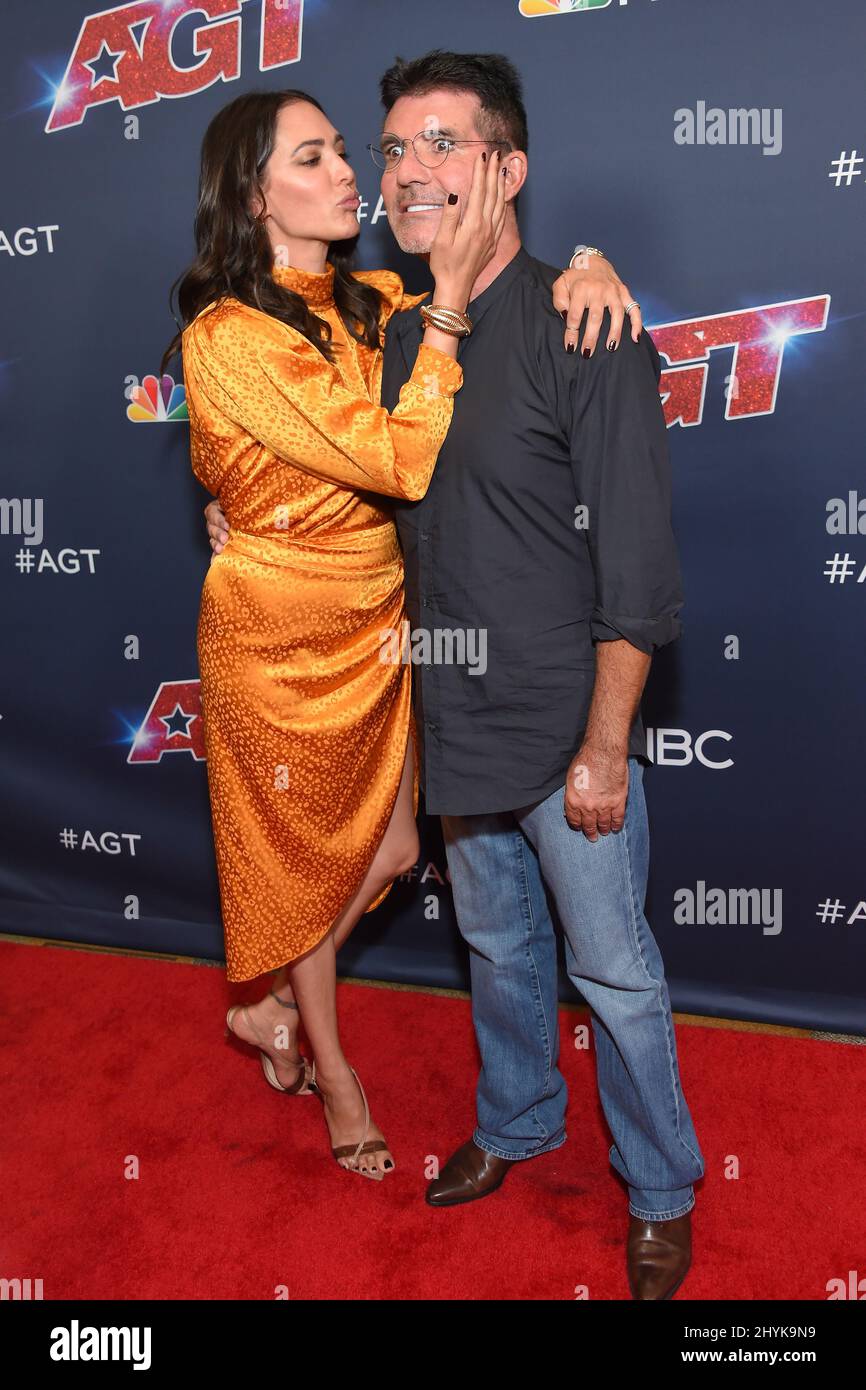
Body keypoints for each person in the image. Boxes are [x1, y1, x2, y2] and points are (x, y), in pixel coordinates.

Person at [207, 50, 703, 1297]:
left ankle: (657, 1188)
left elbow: (637, 572)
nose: (407, 169)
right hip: (446, 724)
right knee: (495, 948)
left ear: (507, 169)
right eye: (390, 149)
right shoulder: (382, 331)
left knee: (618, 977)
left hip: (560, 731)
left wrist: (603, 748)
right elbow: (326, 463)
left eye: (442, 144)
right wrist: (245, 520)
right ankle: (520, 1120)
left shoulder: (583, 324)